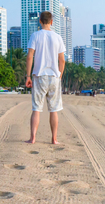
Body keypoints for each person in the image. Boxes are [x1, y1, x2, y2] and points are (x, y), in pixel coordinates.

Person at [25, 11, 66, 145]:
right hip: (54, 76)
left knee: (36, 108)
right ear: (52, 22)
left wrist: (28, 76)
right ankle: (54, 139)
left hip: (39, 75)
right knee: (53, 110)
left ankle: (33, 138)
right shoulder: (58, 37)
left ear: (40, 21)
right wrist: (60, 75)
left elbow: (30, 56)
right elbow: (62, 60)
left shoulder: (35, 36)